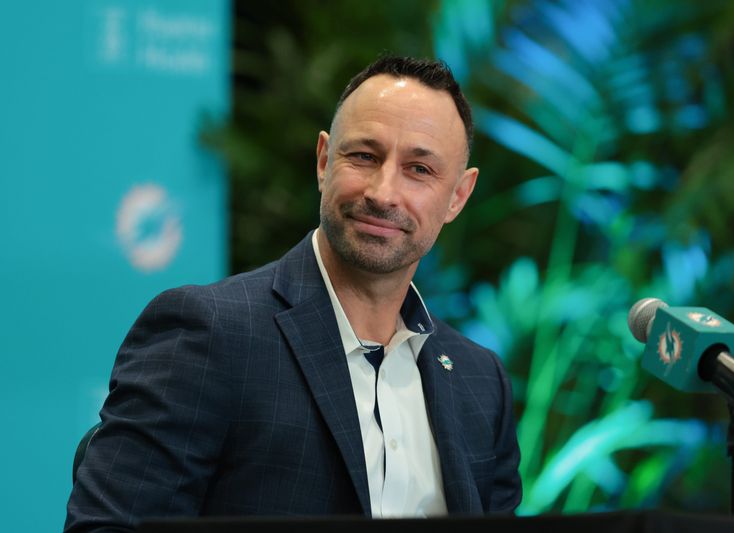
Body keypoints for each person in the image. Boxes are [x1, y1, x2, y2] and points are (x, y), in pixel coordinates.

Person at [66, 56, 521, 531]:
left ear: (458, 197)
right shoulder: (209, 332)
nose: (384, 193)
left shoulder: (480, 380)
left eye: (419, 169)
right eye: (364, 156)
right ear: (324, 161)